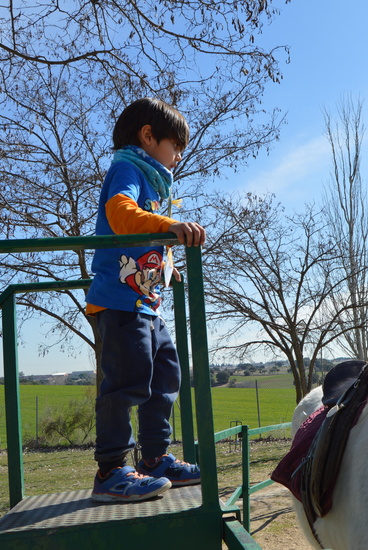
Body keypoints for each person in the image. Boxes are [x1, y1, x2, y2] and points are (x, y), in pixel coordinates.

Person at [86, 97, 205, 502]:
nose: (177, 157)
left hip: (147, 303)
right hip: (120, 301)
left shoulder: (156, 182)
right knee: (126, 383)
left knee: (164, 378)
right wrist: (170, 225)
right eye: (175, 146)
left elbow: (148, 242)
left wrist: (167, 266)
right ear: (148, 136)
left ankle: (155, 458)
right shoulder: (128, 168)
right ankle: (111, 469)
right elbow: (120, 213)